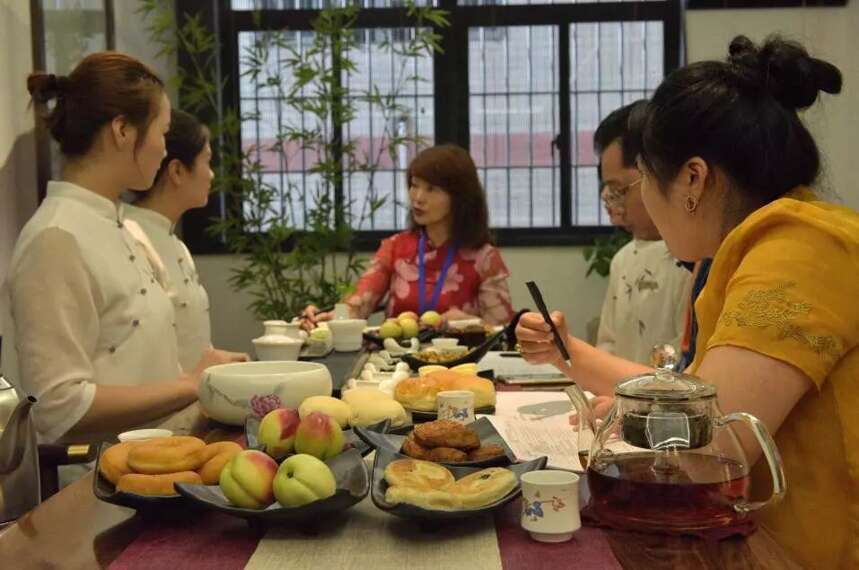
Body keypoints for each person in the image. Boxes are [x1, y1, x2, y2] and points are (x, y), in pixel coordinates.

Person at [516, 36, 858, 569]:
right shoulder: (754, 248)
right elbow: (696, 392)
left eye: (644, 179)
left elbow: (720, 442)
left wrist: (626, 419)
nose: (642, 200)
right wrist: (584, 366)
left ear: (693, 179)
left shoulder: (797, 248)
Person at [0, 52, 235, 445]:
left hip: (161, 461)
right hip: (103, 487)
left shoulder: (120, 225)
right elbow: (58, 406)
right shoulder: (56, 237)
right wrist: (190, 385)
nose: (163, 150)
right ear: (123, 131)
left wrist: (201, 378)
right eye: (161, 133)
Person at [302, 144, 515, 328]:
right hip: (394, 365)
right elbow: (359, 304)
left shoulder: (485, 258)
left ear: (459, 197)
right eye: (414, 185)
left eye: (431, 189)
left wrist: (469, 323)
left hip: (461, 368)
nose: (418, 198)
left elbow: (503, 332)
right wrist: (328, 318)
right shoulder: (395, 246)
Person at [124, 109, 248, 371]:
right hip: (165, 404)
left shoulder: (174, 241)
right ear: (177, 171)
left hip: (193, 399)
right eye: (207, 161)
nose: (212, 174)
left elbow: (189, 340)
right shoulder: (130, 236)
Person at [593, 101, 691, 364]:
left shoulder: (691, 260)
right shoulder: (623, 259)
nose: (610, 199)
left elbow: (686, 363)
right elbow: (608, 346)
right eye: (608, 189)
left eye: (620, 189)